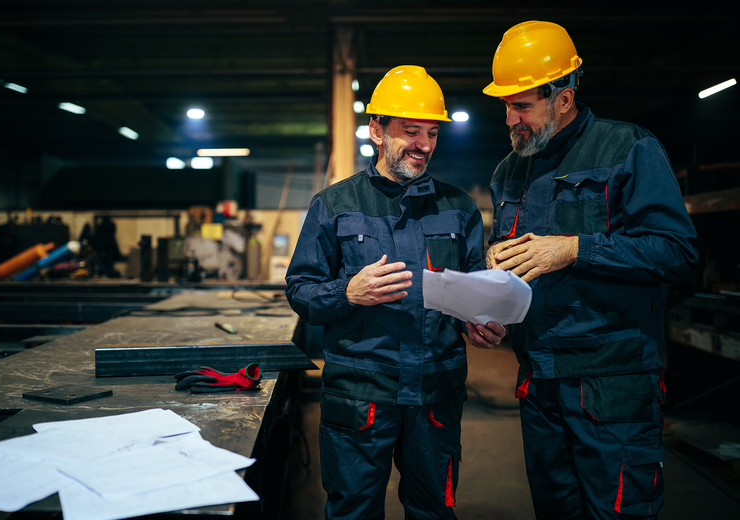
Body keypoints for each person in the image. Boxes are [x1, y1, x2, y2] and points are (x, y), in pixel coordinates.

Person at [482, 21, 699, 520]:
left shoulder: (628, 148)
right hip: (539, 380)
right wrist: (489, 296)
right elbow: (515, 259)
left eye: (523, 106)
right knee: (555, 510)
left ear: (563, 97)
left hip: (612, 384)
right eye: (506, 106)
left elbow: (676, 251)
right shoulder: (509, 170)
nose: (511, 119)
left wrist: (577, 249)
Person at [286, 65, 506, 520]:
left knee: (433, 510)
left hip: (435, 393)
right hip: (360, 393)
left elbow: (472, 290)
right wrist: (348, 292)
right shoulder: (334, 204)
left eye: (431, 133)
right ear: (376, 130)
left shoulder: (459, 207)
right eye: (410, 131)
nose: (423, 145)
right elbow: (301, 291)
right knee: (353, 511)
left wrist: (479, 323)